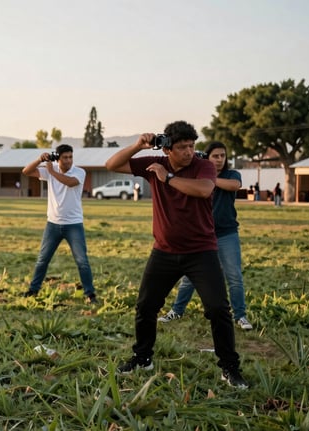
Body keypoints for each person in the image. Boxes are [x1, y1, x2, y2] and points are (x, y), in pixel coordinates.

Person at [105, 121, 248, 389]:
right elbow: (111, 165)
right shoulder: (154, 162)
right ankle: (142, 357)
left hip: (201, 252)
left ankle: (229, 367)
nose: (189, 152)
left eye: (192, 146)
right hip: (164, 252)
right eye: (182, 147)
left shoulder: (202, 165)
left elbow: (205, 189)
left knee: (218, 308)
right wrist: (138, 145)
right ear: (168, 148)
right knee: (146, 306)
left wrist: (167, 178)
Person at [158, 142, 252, 331]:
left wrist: (209, 179)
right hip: (201, 235)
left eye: (222, 156)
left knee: (234, 276)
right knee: (190, 278)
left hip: (226, 233)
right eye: (215, 156)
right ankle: (177, 310)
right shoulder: (197, 175)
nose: (219, 159)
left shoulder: (231, 175)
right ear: (207, 157)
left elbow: (235, 186)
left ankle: (240, 316)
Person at [20, 145, 98, 304]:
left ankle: (90, 294)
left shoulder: (79, 172)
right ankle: (33, 290)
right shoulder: (51, 169)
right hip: (53, 224)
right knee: (42, 260)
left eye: (70, 157)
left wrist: (52, 172)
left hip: (74, 224)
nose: (69, 160)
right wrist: (39, 159)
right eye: (65, 157)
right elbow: (26, 171)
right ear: (58, 158)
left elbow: (70, 183)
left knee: (82, 261)